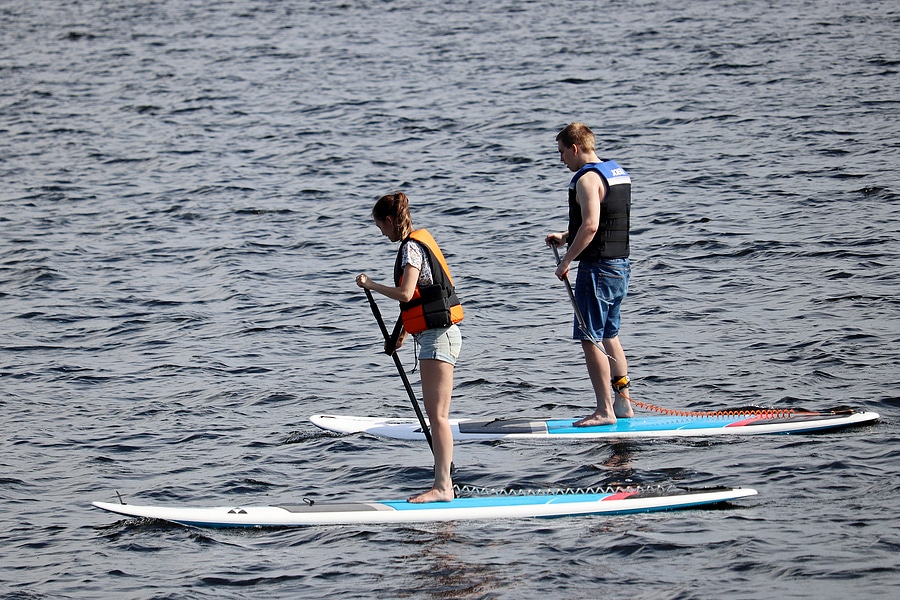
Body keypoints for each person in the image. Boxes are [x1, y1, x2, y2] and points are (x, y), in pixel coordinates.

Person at [356, 191, 464, 503]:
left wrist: (371, 285)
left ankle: (443, 487)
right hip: (435, 335)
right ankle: (443, 482)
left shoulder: (411, 249)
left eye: (381, 228)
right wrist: (399, 338)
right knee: (437, 415)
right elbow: (419, 298)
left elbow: (405, 294)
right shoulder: (416, 243)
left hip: (439, 337)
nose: (382, 234)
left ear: (390, 221)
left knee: (438, 417)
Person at [545, 122, 634, 427]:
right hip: (620, 266)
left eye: (561, 153)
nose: (561, 161)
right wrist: (567, 236)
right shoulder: (616, 172)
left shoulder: (585, 180)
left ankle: (604, 411)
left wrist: (566, 261)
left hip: (597, 270)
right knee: (610, 335)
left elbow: (593, 226)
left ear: (574, 148)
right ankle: (623, 406)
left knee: (590, 338)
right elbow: (604, 221)